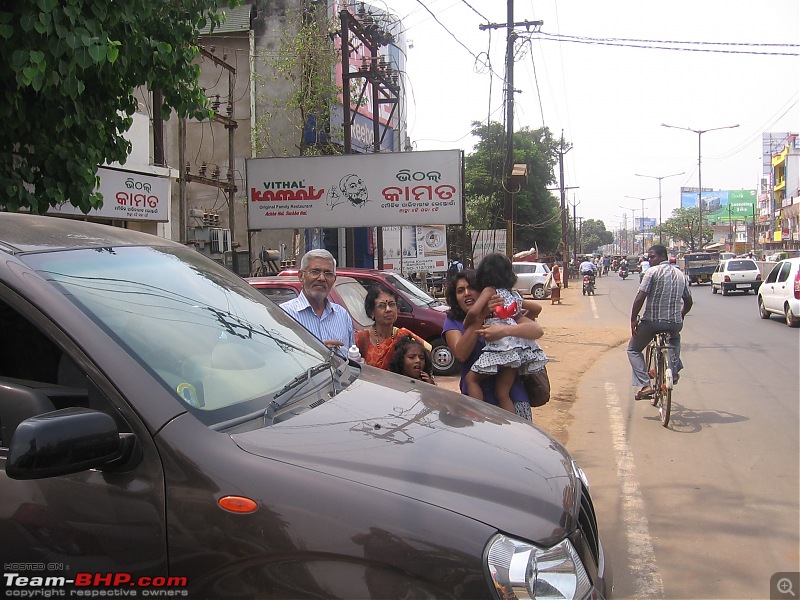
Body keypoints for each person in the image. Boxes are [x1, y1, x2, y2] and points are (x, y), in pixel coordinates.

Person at [442, 270, 543, 421]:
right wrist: (480, 316)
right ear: (455, 297)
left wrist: (502, 330)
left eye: (472, 288)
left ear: (483, 291)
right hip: (476, 407)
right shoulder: (452, 322)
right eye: (460, 290)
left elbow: (536, 330)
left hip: (514, 400)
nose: (467, 293)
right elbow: (461, 354)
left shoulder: (503, 315)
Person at [462, 253, 548, 414]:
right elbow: (537, 309)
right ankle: (512, 425)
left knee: (471, 380)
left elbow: (474, 311)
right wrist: (516, 316)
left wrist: (467, 323)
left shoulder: (489, 290)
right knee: (502, 393)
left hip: (499, 347)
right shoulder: (513, 296)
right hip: (516, 351)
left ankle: (479, 414)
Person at [628, 244, 693, 400]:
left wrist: (633, 319)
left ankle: (645, 385)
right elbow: (689, 302)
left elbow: (640, 297)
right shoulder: (679, 274)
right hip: (674, 323)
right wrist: (681, 315)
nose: (650, 260)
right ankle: (674, 368)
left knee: (633, 350)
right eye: (649, 257)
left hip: (651, 322)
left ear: (662, 256)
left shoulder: (652, 272)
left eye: (652, 257)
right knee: (675, 338)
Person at [280, 249, 354, 355]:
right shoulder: (284, 315)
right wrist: (318, 354)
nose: (322, 278)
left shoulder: (342, 315)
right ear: (301, 276)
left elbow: (351, 359)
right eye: (315, 272)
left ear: (334, 279)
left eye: (328, 273)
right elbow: (279, 359)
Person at [355, 285, 429, 369]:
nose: (388, 309)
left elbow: (428, 351)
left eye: (392, 304)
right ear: (371, 312)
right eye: (381, 306)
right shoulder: (361, 339)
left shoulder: (404, 336)